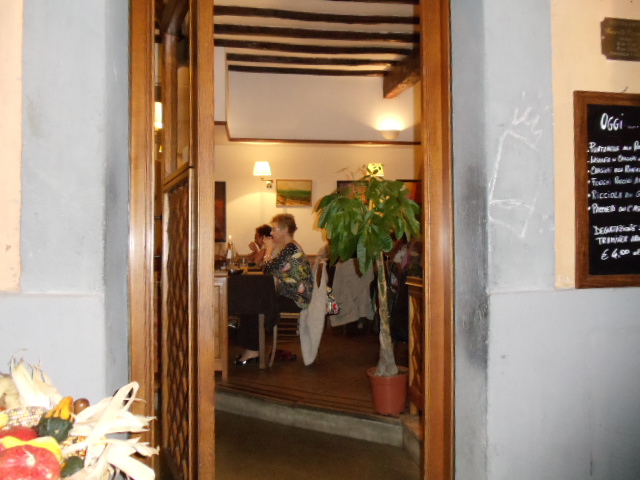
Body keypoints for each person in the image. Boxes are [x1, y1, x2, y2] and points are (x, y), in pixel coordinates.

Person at [235, 214, 313, 364]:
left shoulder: (290, 248)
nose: (271, 233)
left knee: (253, 305)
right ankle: (252, 349)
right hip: (291, 295)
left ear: (284, 231)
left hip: (296, 299)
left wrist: (269, 251)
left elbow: (268, 271)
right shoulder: (288, 248)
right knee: (250, 301)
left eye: (274, 229)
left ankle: (253, 351)